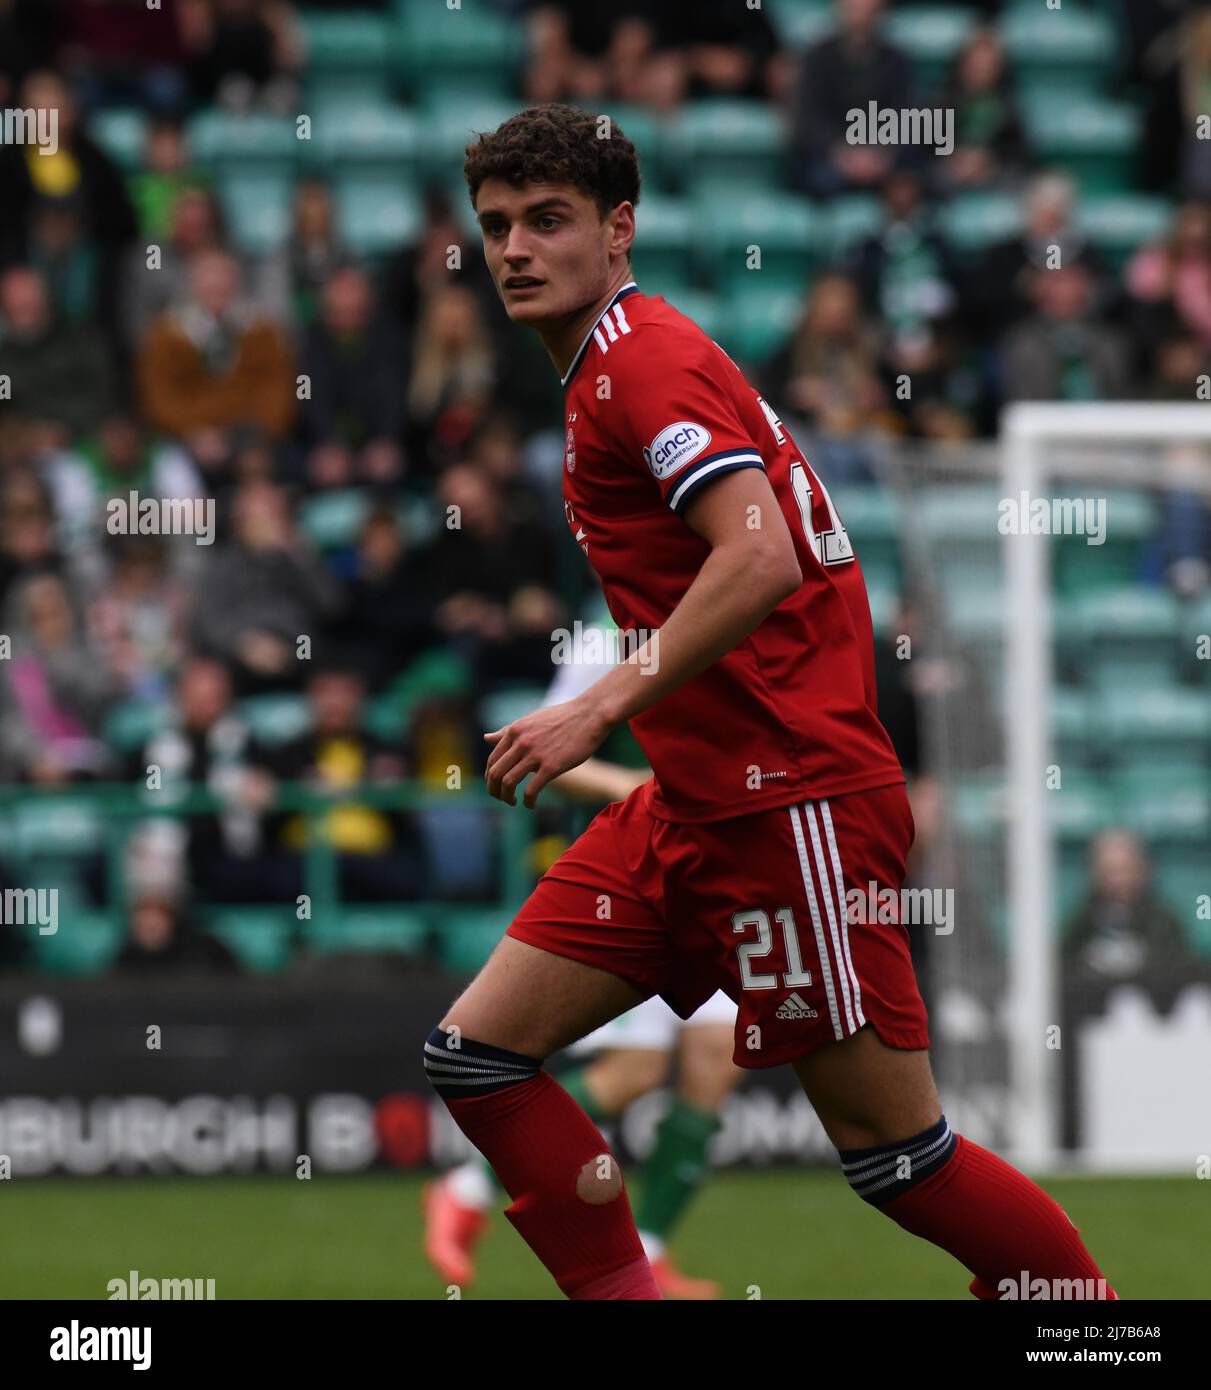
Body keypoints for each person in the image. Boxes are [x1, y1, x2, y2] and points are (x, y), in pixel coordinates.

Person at [421, 103, 1117, 1301]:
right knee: (478, 1055)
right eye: (496, 228)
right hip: (694, 805)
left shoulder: (640, 360)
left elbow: (757, 555)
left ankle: (1090, 1324)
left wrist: (595, 711)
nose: (515, 249)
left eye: (548, 221)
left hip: (790, 801)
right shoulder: (602, 375)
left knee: (899, 1160)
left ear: (618, 229)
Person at [424, 600, 741, 1299]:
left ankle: (650, 1252)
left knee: (717, 1061)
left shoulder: (730, 607)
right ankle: (467, 1188)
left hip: (724, 869)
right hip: (634, 880)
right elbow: (539, 751)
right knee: (630, 1072)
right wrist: (636, 788)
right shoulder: (608, 633)